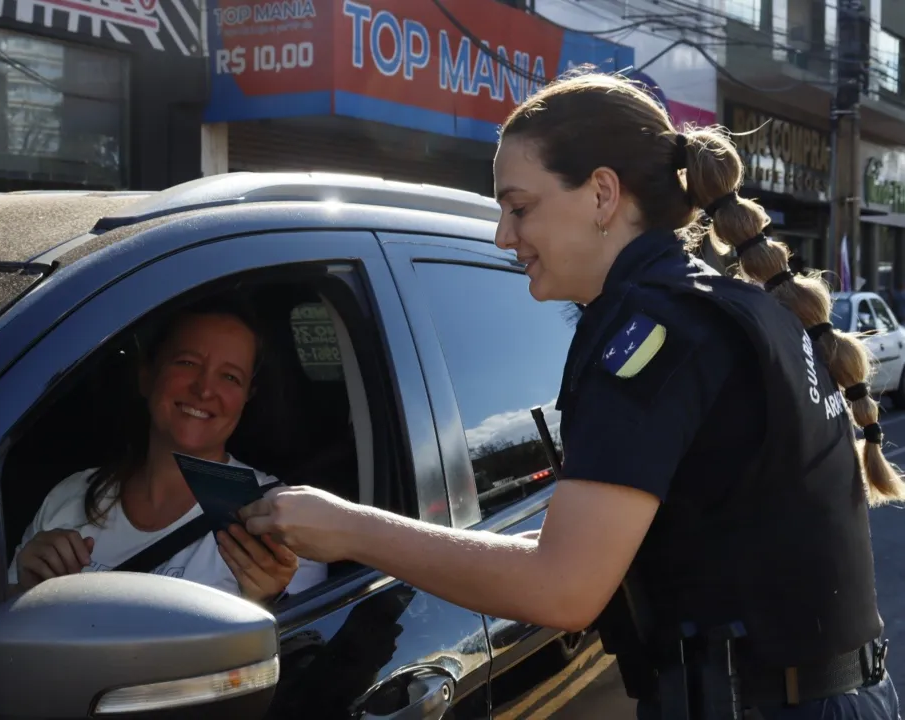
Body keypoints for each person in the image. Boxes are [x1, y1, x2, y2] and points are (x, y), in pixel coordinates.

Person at [239, 70, 905, 719]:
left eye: (519, 206)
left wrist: (350, 528)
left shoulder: (654, 334)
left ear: (602, 195)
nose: (505, 236)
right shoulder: (721, 305)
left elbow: (564, 588)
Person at [7, 297, 328, 605]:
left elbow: (308, 653)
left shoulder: (282, 520)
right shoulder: (69, 498)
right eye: (187, 362)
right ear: (146, 375)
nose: (204, 389)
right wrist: (25, 592)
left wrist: (271, 603)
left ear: (247, 397)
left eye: (230, 376)